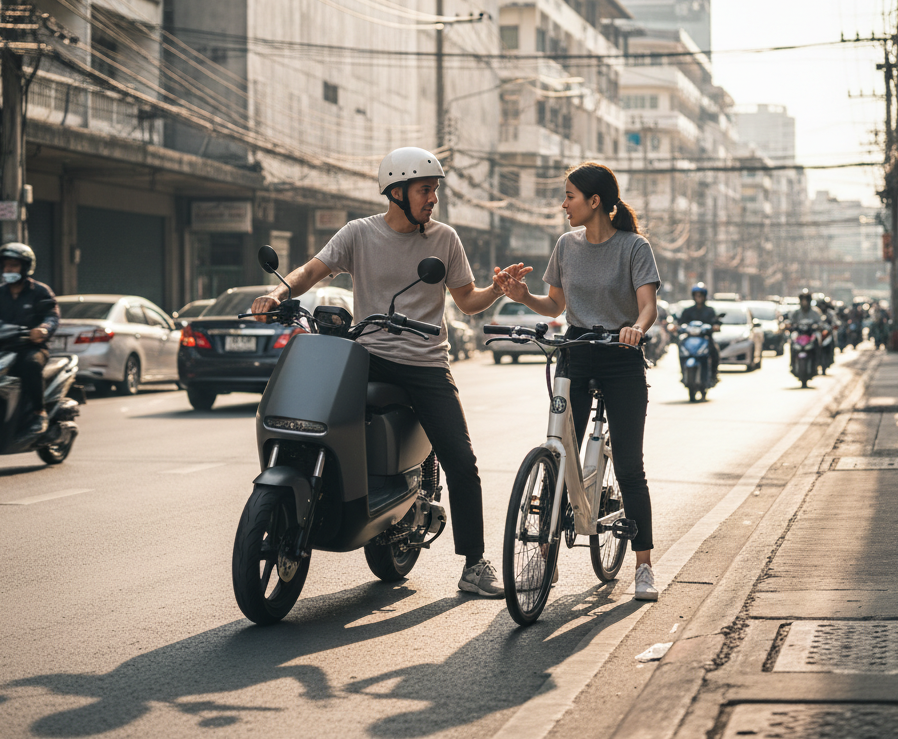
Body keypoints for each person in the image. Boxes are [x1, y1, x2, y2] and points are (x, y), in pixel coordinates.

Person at [250, 147, 508, 597]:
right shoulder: (359, 234)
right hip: (369, 354)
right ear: (396, 191)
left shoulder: (444, 239)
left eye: (435, 190)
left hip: (426, 362)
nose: (433, 198)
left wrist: (497, 291)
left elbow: (466, 301)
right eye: (425, 190)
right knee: (322, 420)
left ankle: (473, 563)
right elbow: (314, 269)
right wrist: (277, 294)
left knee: (462, 462)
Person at [493, 161, 661, 601]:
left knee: (628, 464)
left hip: (622, 356)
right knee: (559, 448)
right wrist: (521, 296)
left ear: (595, 201)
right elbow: (553, 306)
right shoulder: (566, 246)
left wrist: (637, 329)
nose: (563, 204)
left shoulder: (634, 247)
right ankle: (545, 558)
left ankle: (644, 566)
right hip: (577, 354)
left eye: (569, 196)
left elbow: (648, 306)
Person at [0, 243, 60, 434]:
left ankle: (39, 412)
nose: (8, 270)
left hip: (30, 348)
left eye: (13, 265)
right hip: (1, 349)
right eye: (5, 266)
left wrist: (44, 329)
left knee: (30, 364)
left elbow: (52, 316)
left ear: (25, 267)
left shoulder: (40, 291)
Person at [677, 282, 720, 383]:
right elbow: (680, 323)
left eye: (700, 294)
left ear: (704, 296)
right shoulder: (688, 311)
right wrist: (675, 327)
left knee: (715, 351)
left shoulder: (710, 311)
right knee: (681, 349)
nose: (698, 297)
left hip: (705, 339)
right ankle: (683, 373)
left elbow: (716, 322)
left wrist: (715, 326)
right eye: (696, 294)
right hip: (690, 338)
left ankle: (714, 375)